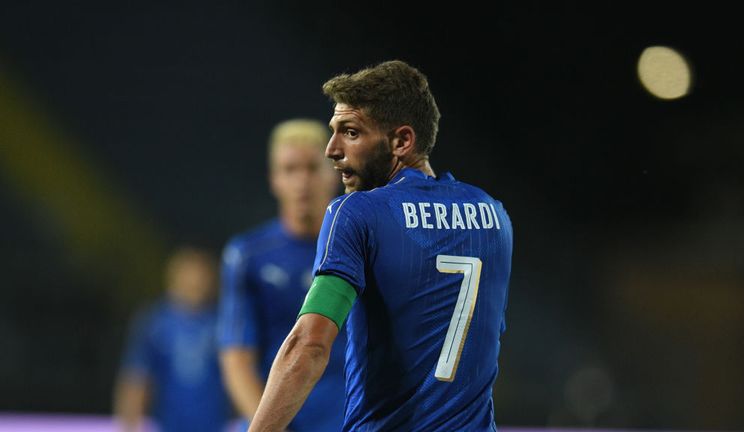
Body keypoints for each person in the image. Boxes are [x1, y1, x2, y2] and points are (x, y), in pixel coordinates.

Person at [247, 60, 514, 432]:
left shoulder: (356, 213)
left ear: (402, 141)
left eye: (351, 133)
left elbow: (308, 346)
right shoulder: (494, 216)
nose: (331, 149)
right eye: (333, 132)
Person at [217, 119, 346, 431]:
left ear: (334, 174)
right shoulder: (248, 255)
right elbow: (236, 357)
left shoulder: (362, 248)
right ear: (274, 179)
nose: (302, 181)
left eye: (313, 168)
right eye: (290, 169)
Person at [114, 246, 230, 432]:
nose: (196, 283)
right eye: (190, 277)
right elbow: (136, 379)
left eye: (202, 277)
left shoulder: (221, 322)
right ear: (174, 279)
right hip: (169, 425)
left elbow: (237, 374)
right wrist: (129, 426)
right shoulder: (155, 323)